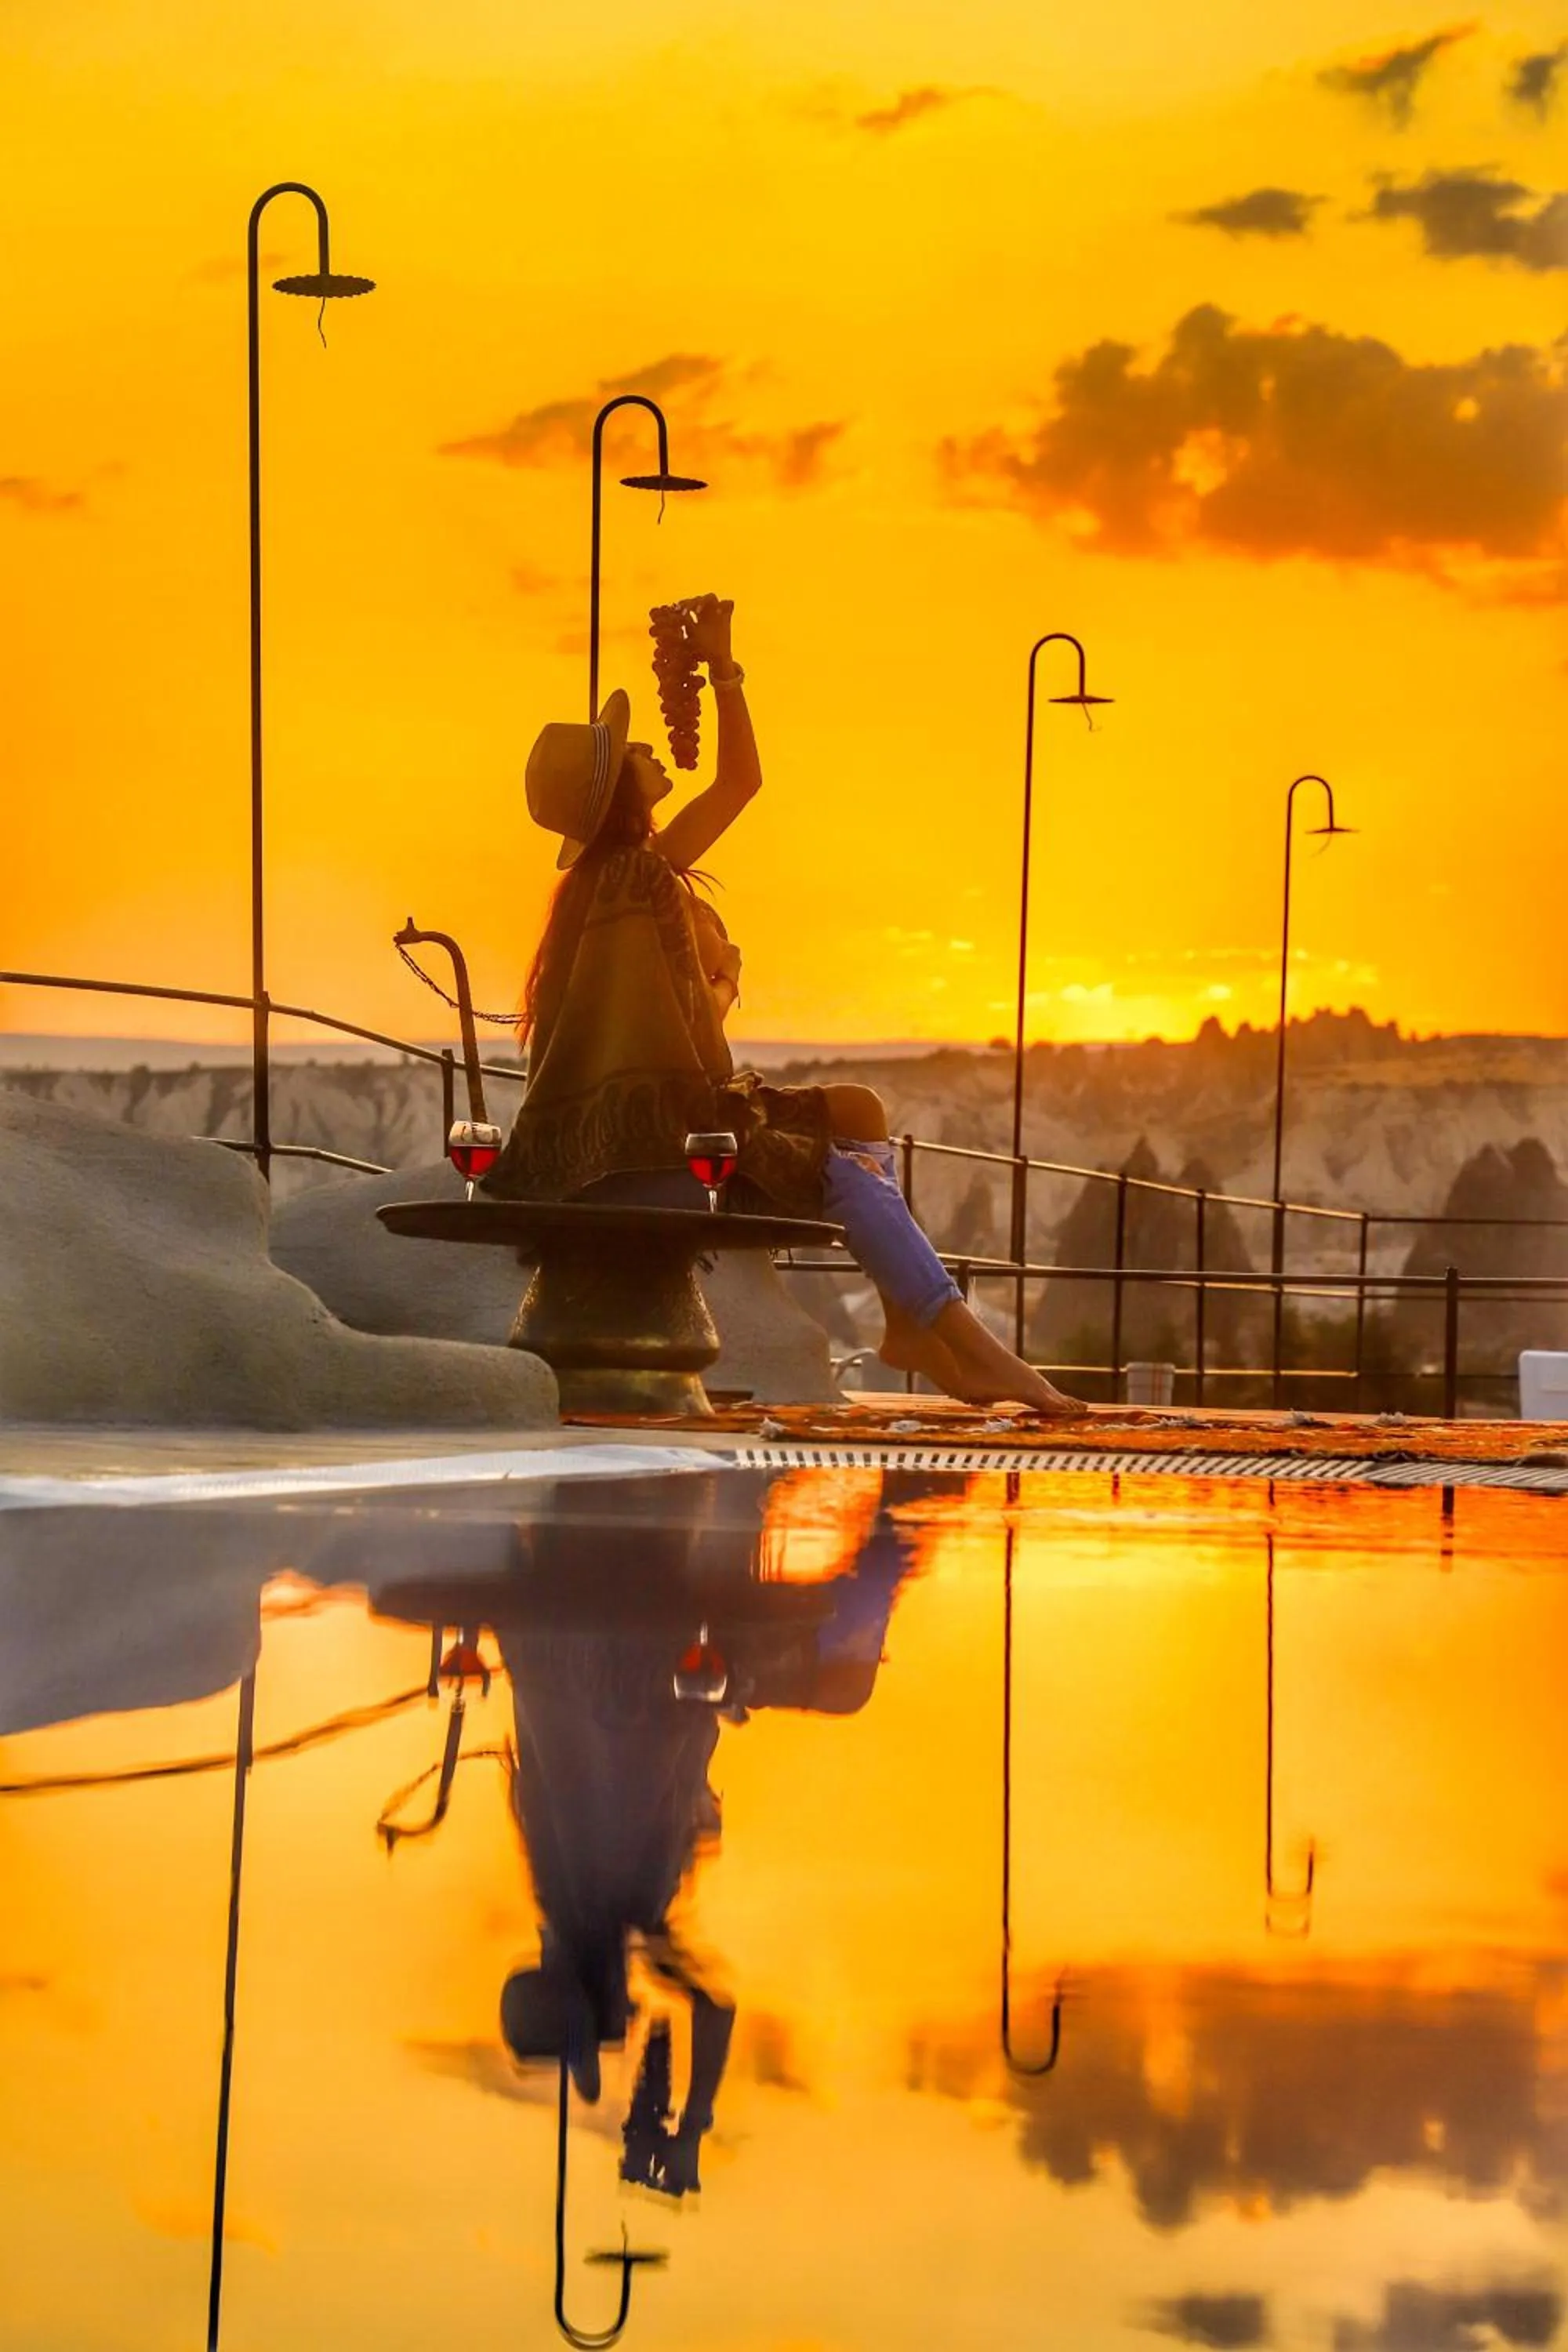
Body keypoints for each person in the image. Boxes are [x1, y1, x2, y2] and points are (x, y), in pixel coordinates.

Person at [484, 593, 1080, 1414]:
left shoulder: (629, 874)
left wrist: (723, 667)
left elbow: (739, 783)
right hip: (647, 1146)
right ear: (619, 789)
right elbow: (667, 1044)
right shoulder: (630, 881)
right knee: (839, 1163)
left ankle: (917, 1324)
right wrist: (723, 983)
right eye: (630, 750)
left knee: (859, 1108)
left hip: (646, 1129)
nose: (650, 746)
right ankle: (967, 1342)